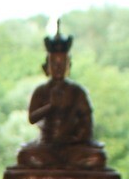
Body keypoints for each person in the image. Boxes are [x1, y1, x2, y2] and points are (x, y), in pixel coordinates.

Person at [14, 29, 107, 170]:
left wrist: (80, 137)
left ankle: (62, 165)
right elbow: (32, 118)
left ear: (69, 66)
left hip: (72, 147)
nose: (58, 68)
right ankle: (61, 166)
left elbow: (87, 121)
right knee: (25, 156)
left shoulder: (77, 92)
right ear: (46, 67)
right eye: (54, 64)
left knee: (97, 158)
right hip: (46, 145)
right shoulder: (41, 91)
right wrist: (50, 106)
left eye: (62, 63)